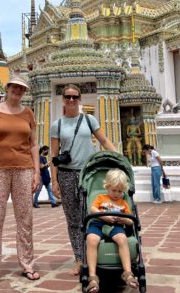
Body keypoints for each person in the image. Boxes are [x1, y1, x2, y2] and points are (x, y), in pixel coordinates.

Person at [0, 76, 41, 284]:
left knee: (25, 219)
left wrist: (37, 172)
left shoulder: (28, 113)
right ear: (8, 88)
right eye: (15, 87)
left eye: (22, 88)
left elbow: (33, 145)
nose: (18, 91)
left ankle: (27, 264)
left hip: (24, 169)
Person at [50, 84, 117, 275]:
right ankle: (79, 258)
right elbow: (53, 155)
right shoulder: (58, 125)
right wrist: (54, 181)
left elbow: (104, 141)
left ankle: (93, 255)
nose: (71, 100)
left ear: (80, 99)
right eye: (67, 97)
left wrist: (119, 158)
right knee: (72, 219)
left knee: (92, 214)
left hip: (89, 174)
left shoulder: (89, 119)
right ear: (63, 99)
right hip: (66, 175)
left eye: (74, 97)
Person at [86, 169, 139, 293]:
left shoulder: (123, 203)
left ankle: (127, 273)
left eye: (120, 191)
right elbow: (93, 209)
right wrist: (103, 215)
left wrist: (123, 219)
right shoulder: (101, 198)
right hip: (98, 223)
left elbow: (131, 220)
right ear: (107, 187)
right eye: (114, 190)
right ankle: (93, 277)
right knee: (91, 239)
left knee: (122, 238)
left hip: (115, 225)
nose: (116, 194)